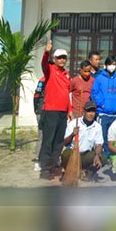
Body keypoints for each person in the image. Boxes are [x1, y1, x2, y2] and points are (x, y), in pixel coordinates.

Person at [38, 41, 70, 180]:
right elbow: (44, 63)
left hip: (63, 112)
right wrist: (46, 51)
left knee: (58, 142)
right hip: (50, 111)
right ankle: (45, 169)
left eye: (64, 57)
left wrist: (69, 110)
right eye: (59, 57)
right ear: (55, 59)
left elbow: (66, 93)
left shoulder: (66, 74)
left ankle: (52, 167)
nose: (62, 60)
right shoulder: (50, 69)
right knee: (48, 141)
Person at [61, 100, 106, 181]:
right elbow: (65, 143)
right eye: (89, 111)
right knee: (65, 154)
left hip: (86, 155)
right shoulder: (73, 123)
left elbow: (99, 144)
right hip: (73, 153)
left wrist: (97, 155)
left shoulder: (97, 126)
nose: (91, 114)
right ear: (84, 112)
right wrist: (72, 135)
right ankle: (70, 171)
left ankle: (88, 173)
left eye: (93, 111)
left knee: (103, 158)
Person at [91, 56, 116, 147]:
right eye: (110, 64)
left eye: (114, 64)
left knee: (113, 137)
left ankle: (112, 156)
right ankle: (104, 156)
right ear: (106, 65)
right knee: (103, 137)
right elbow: (94, 93)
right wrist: (101, 104)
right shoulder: (99, 78)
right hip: (103, 114)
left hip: (115, 114)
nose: (112, 66)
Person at [33, 76, 46, 171]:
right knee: (42, 135)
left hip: (54, 111)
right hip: (42, 110)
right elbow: (37, 95)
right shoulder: (43, 80)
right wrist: (36, 109)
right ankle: (38, 160)